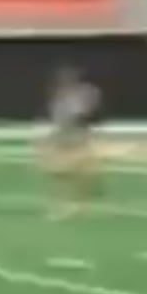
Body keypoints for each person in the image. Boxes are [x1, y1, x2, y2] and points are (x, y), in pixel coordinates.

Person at [40, 63, 102, 215]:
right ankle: (71, 201)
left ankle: (76, 203)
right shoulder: (60, 95)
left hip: (75, 134)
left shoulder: (83, 93)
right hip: (64, 134)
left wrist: (73, 129)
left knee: (72, 170)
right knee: (58, 171)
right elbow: (58, 116)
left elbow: (81, 115)